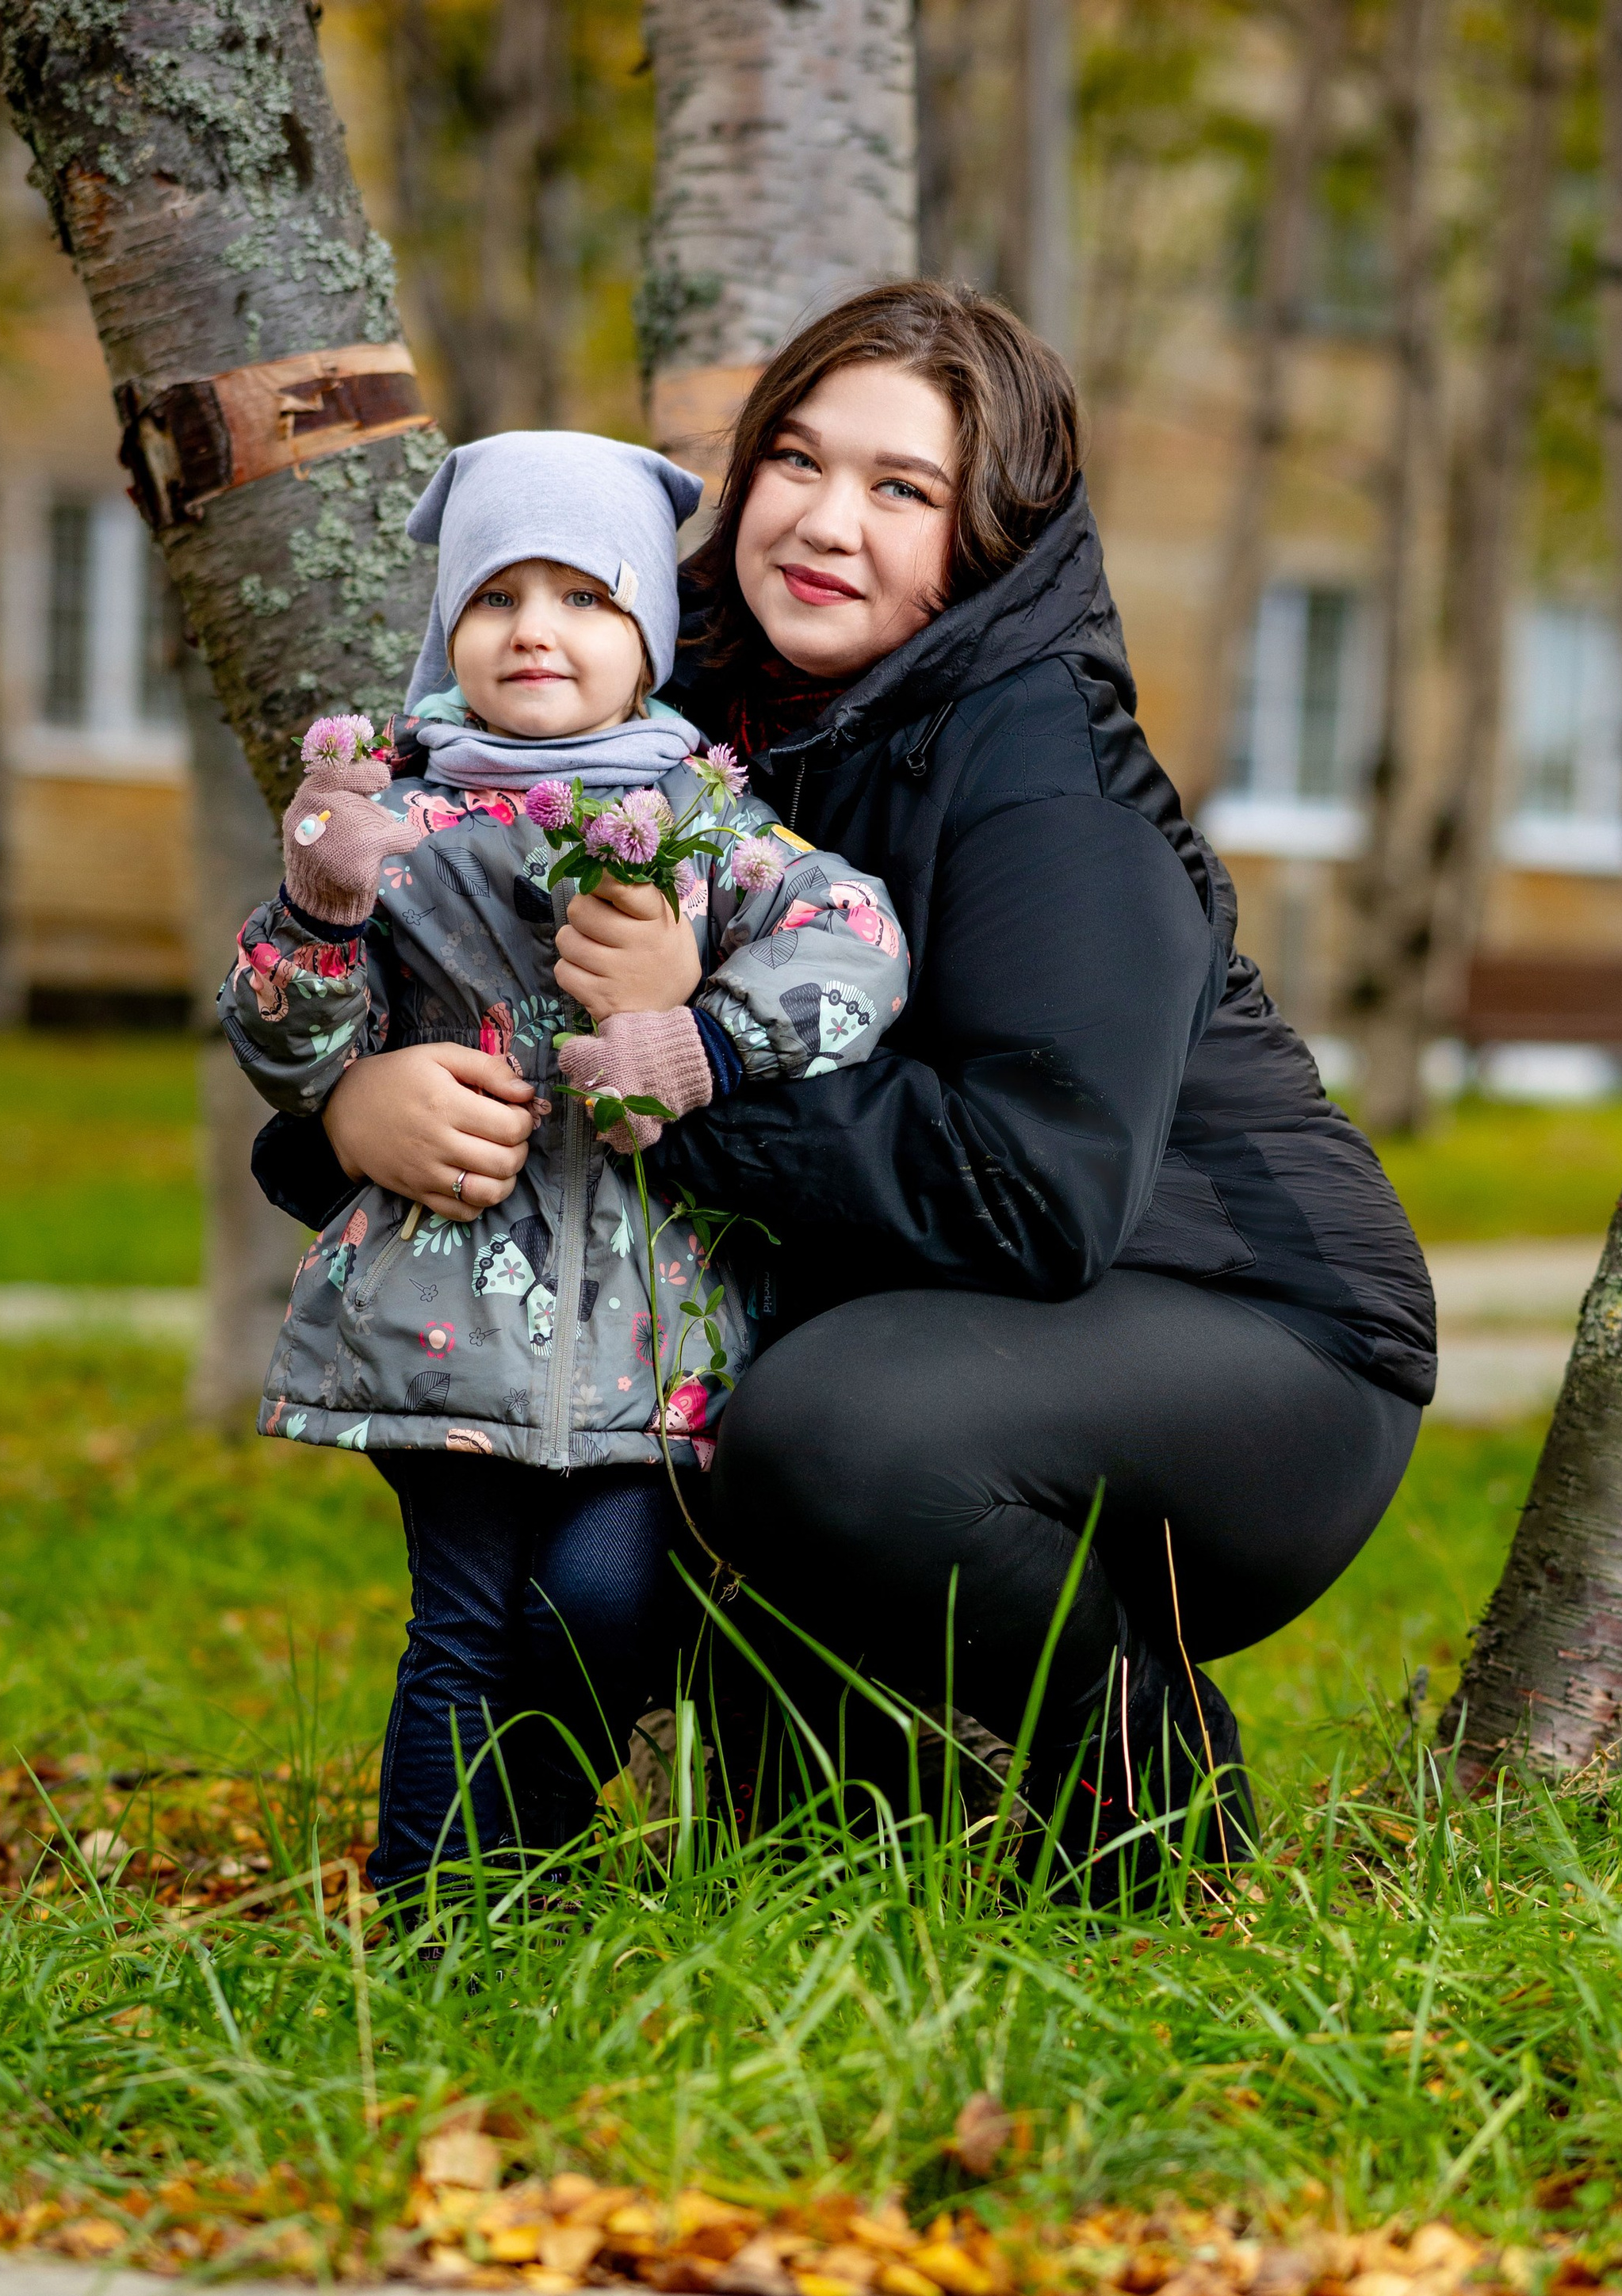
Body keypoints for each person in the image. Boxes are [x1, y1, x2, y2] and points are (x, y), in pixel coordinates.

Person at [255, 288, 1436, 1881]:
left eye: (901, 489)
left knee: (812, 1430)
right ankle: (626, 1898)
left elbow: (1037, 1195)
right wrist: (345, 1116)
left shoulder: (1043, 773)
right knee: (657, 1567)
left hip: (1245, 1341)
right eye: (794, 462)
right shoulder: (650, 711)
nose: (821, 522)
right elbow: (468, 1001)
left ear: (988, 539)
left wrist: (691, 1059)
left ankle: (1153, 1813)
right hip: (919, 1321)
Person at [220, 429, 905, 1897]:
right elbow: (280, 1047)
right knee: (461, 1627)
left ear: (647, 634)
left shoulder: (707, 824)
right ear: (448, 628)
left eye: (585, 597)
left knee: (605, 1599)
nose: (537, 628)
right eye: (496, 597)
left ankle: (514, 1868)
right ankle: (428, 1929)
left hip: (663, 1330)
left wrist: (707, 1036)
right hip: (443, 1316)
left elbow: (861, 948)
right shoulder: (384, 817)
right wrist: (318, 919)